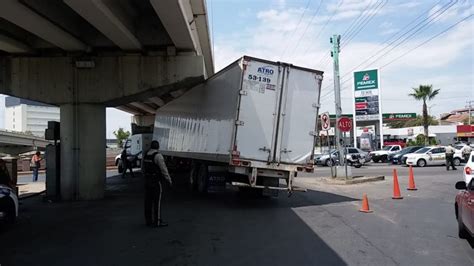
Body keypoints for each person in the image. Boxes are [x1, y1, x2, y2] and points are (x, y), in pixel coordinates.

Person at [143, 140, 172, 228]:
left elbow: (142, 168)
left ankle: (148, 221)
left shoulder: (146, 155)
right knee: (157, 202)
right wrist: (169, 180)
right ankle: (157, 221)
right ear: (158, 147)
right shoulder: (158, 156)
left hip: (147, 180)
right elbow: (164, 169)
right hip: (155, 181)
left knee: (147, 201)